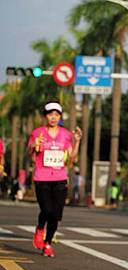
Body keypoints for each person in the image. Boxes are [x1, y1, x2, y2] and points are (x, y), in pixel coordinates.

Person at [28, 102, 82, 257]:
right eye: (50, 114)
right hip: (42, 177)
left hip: (60, 178)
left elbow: (72, 157)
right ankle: (40, 228)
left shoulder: (66, 134)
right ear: (46, 116)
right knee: (47, 210)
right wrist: (34, 145)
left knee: (56, 214)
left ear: (59, 117)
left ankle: (48, 243)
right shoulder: (38, 133)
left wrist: (77, 141)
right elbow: (30, 153)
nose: (53, 117)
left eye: (56, 114)